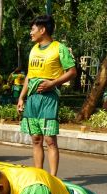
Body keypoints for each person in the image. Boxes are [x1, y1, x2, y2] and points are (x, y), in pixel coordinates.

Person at [17, 15, 76, 177]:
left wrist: (53, 83)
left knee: (50, 140)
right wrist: (22, 97)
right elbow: (30, 75)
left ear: (43, 30)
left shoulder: (59, 48)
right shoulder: (34, 49)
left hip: (49, 98)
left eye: (33, 29)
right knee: (36, 138)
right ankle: (39, 175)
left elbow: (72, 71)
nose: (31, 33)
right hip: (33, 99)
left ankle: (53, 178)